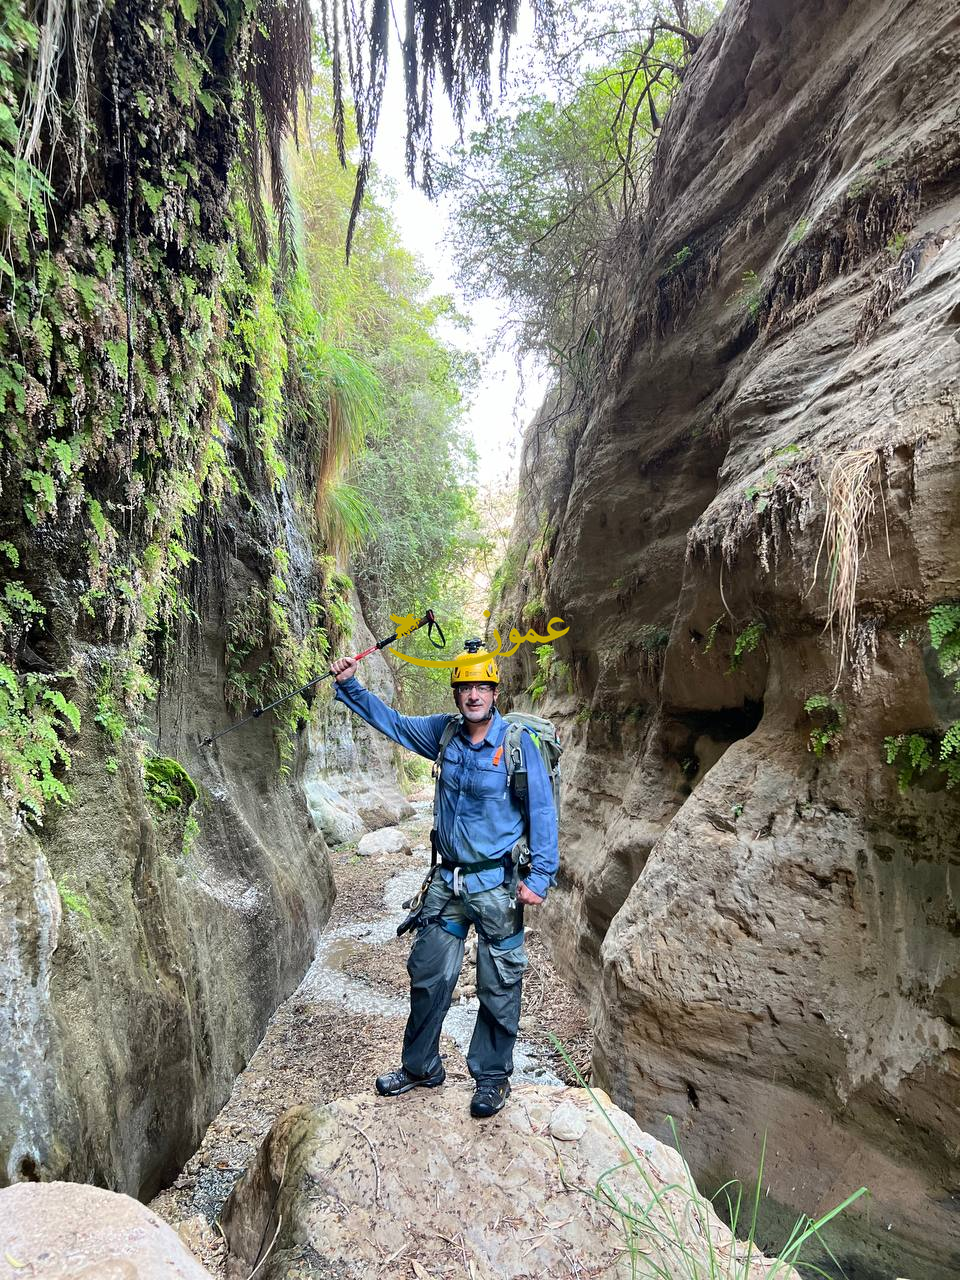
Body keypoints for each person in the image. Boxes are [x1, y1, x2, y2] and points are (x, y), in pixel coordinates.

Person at [330, 640, 559, 1119]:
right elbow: (392, 722)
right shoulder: (444, 735)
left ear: (495, 691)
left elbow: (543, 812)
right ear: (455, 693)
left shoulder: (519, 745)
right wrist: (351, 686)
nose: (473, 695)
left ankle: (492, 1079)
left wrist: (539, 877)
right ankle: (420, 1067)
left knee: (499, 984)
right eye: (464, 687)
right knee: (429, 974)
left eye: (481, 686)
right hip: (448, 885)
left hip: (498, 889)